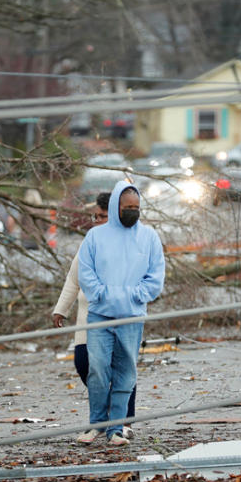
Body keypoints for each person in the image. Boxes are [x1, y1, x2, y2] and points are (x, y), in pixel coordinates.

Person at [76, 179, 165, 446]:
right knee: (98, 370)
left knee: (126, 371)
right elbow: (85, 273)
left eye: (136, 207)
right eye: (127, 206)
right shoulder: (95, 236)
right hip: (100, 315)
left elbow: (155, 276)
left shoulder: (149, 237)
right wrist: (103, 295)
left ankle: (116, 428)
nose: (132, 211)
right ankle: (97, 425)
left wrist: (135, 297)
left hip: (132, 316)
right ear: (116, 206)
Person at [51, 193, 136, 437]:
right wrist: (61, 309)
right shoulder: (90, 242)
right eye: (95, 216)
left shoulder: (129, 242)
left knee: (122, 369)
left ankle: (123, 423)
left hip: (119, 318)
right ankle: (106, 416)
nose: (97, 220)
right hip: (87, 319)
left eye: (102, 216)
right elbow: (73, 277)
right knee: (84, 363)